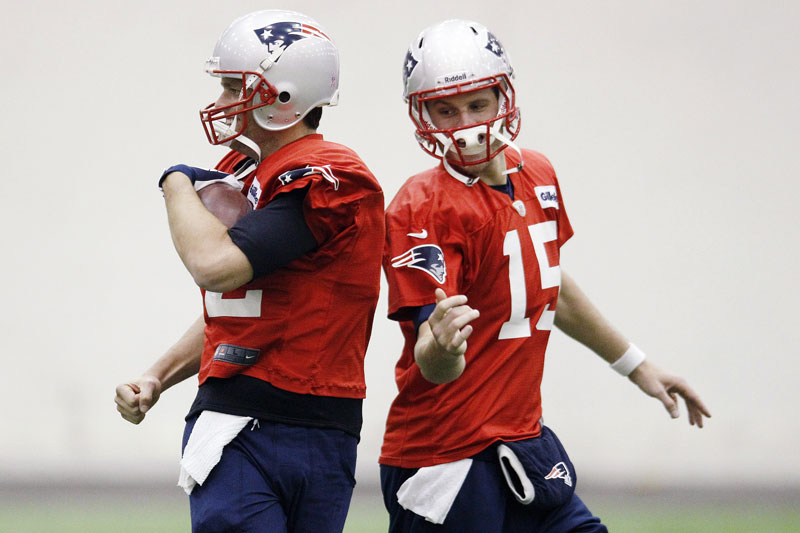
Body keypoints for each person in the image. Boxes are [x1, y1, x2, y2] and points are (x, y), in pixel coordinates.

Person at [380, 19, 711, 532]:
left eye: (476, 104)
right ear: (422, 114)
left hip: (521, 439)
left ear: (502, 97)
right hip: (445, 454)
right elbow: (433, 358)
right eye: (445, 110)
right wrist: (443, 347)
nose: (464, 123)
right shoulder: (422, 205)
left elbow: (551, 286)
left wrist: (637, 366)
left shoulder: (537, 172)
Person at [114, 10, 384, 533]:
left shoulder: (331, 176)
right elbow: (233, 310)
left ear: (283, 96)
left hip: (325, 427)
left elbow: (216, 269)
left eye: (234, 87)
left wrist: (173, 180)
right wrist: (158, 376)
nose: (220, 103)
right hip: (237, 420)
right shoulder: (239, 175)